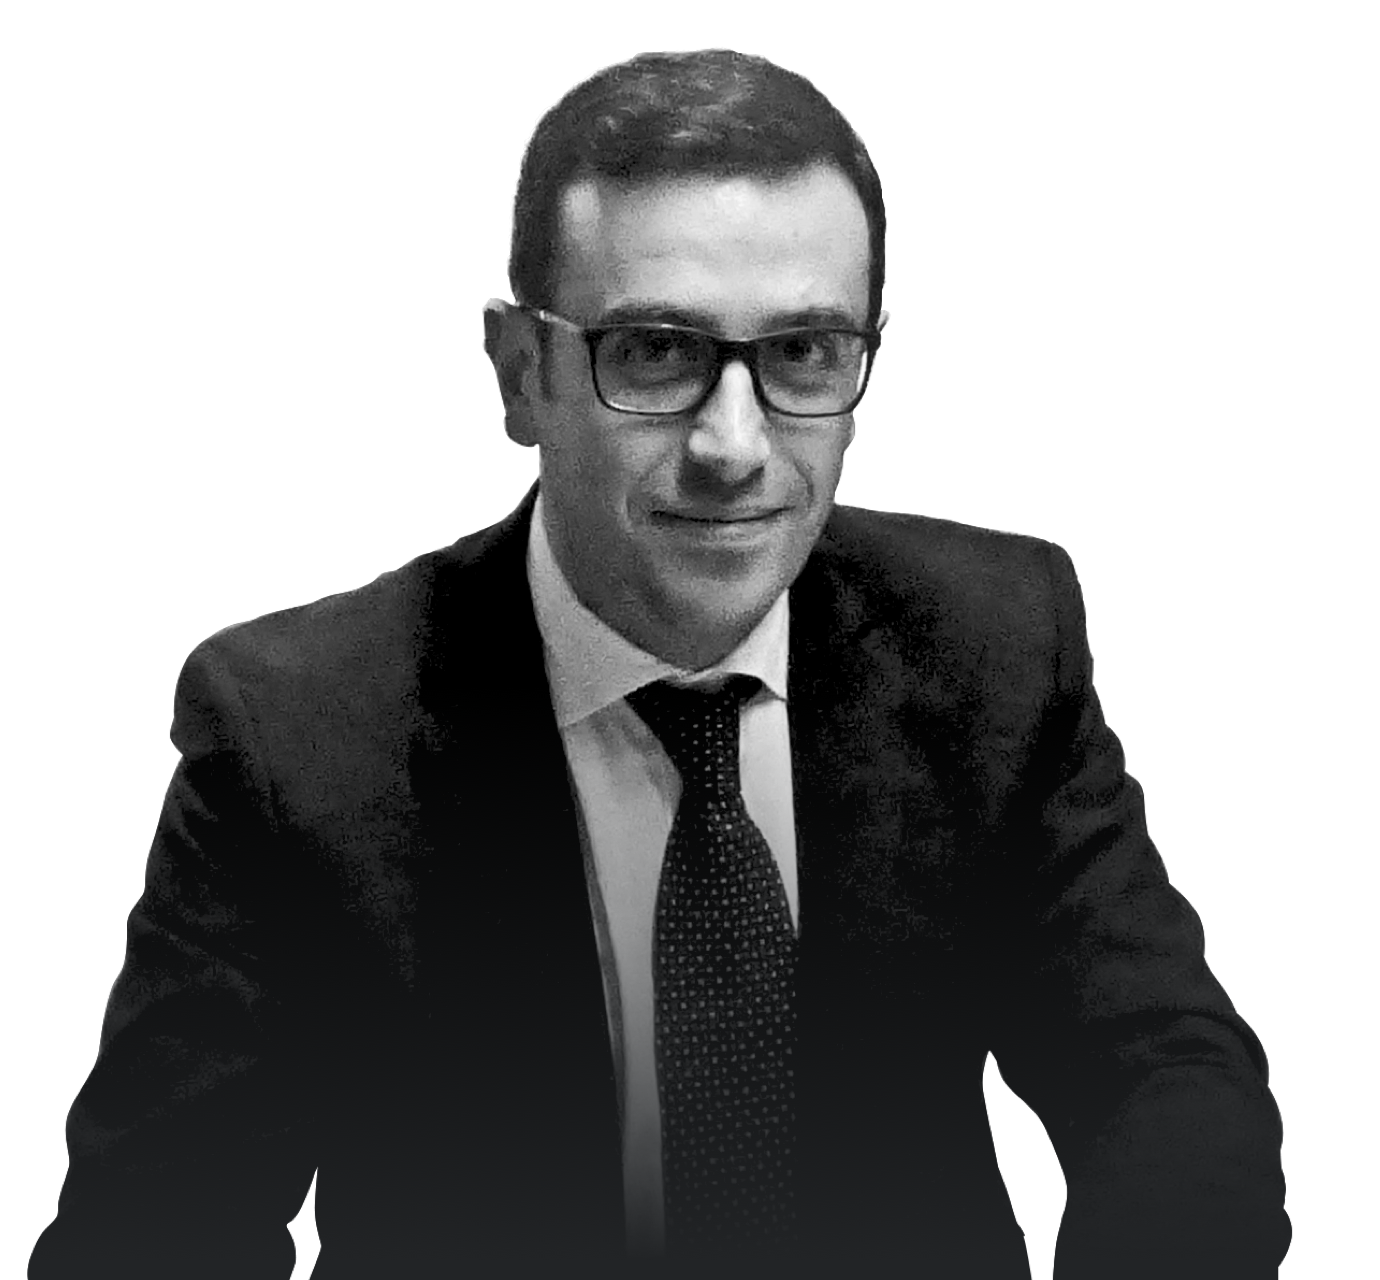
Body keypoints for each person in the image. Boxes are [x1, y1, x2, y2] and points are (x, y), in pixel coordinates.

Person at [29, 48, 1290, 1280]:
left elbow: (1167, 1071)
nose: (734, 446)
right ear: (522, 373)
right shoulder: (293, 733)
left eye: (803, 353)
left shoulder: (995, 642)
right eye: (655, 352)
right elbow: (160, 1222)